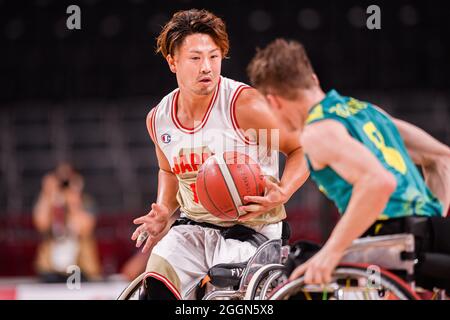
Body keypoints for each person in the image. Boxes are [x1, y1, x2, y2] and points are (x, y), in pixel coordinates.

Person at [131, 10, 309, 299]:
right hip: (193, 229)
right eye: (195, 58)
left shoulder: (245, 105)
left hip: (252, 229)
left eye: (214, 57)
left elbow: (303, 147)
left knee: (225, 295)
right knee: (156, 286)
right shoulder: (159, 118)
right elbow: (167, 170)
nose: (207, 67)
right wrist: (164, 209)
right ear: (172, 61)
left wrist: (285, 191)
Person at [247, 39, 450, 290]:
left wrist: (331, 252)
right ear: (313, 78)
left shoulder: (317, 132)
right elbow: (442, 158)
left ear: (274, 101)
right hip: (433, 235)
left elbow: (378, 182)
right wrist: (428, 225)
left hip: (387, 242)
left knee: (303, 273)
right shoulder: (368, 111)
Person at [33, 162, 102, 282]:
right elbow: (41, 224)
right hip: (51, 270)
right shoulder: (50, 203)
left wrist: (74, 199)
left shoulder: (85, 202)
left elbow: (85, 228)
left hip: (80, 270)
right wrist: (47, 193)